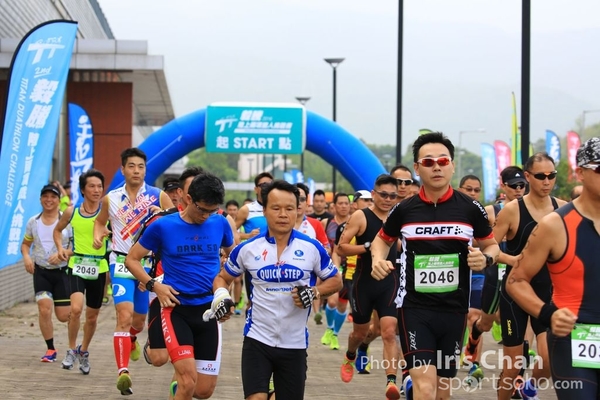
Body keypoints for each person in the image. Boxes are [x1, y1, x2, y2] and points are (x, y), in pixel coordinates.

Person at [370, 132, 500, 400]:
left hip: (454, 310)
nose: (437, 167)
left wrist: (485, 258)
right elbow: (381, 241)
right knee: (425, 387)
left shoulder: (471, 208)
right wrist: (377, 260)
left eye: (443, 161)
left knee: (442, 391)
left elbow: (492, 246)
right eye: (428, 162)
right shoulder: (405, 209)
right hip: (414, 308)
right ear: (417, 168)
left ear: (452, 165)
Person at [212, 180, 342, 400]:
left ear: (297, 210)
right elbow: (222, 278)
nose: (283, 214)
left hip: (294, 344)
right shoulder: (247, 249)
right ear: (264, 210)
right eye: (276, 208)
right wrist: (222, 296)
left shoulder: (311, 247)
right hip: (257, 340)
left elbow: (336, 281)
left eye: (289, 208)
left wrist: (314, 292)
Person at [127, 172, 235, 400]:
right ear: (188, 198)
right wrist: (153, 285)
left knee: (203, 391)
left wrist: (224, 294)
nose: (205, 216)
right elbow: (132, 259)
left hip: (208, 310)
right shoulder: (163, 226)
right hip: (176, 308)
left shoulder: (220, 223)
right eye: (202, 209)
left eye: (211, 211)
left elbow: (234, 260)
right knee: (187, 380)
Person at [507, 137, 600, 400]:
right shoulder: (555, 225)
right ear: (580, 173)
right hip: (573, 338)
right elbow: (515, 281)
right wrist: (548, 314)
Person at [93, 147, 174, 395]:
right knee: (124, 316)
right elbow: (99, 222)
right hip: (120, 262)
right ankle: (123, 372)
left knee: (138, 320)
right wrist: (98, 235)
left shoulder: (158, 196)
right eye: (131, 166)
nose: (136, 171)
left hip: (146, 266)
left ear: (145, 170)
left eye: (140, 166)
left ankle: (132, 338)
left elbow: (174, 223)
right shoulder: (110, 198)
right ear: (123, 169)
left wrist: (162, 215)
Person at [493, 152, 567, 400]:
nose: (547, 181)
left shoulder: (563, 209)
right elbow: (489, 248)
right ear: (527, 176)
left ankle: (529, 389)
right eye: (540, 176)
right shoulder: (512, 211)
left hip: (548, 294)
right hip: (515, 293)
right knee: (513, 366)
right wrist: (513, 260)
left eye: (551, 176)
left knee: (548, 358)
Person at [337, 174, 402, 399]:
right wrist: (368, 246)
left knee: (389, 331)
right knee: (360, 333)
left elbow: (401, 246)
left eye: (392, 196)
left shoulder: (398, 217)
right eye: (383, 195)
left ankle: (391, 382)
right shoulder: (361, 216)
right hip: (363, 284)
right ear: (374, 194)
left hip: (390, 282)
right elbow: (341, 248)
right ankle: (350, 354)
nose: (388, 199)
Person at [53, 169, 108, 375]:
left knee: (92, 317)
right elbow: (57, 230)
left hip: (99, 268)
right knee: (75, 310)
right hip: (76, 266)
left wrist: (108, 234)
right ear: (83, 190)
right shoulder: (72, 212)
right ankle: (70, 349)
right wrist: (60, 248)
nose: (96, 190)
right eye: (92, 186)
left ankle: (83, 351)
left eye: (99, 186)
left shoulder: (107, 213)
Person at [21, 184, 72, 362]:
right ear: (41, 199)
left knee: (64, 316)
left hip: (62, 273)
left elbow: (77, 247)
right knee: (44, 309)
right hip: (41, 272)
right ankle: (50, 349)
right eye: (45, 196)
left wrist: (63, 254)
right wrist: (27, 257)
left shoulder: (67, 221)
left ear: (59, 200)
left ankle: (73, 346)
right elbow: (25, 244)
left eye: (53, 197)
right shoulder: (33, 222)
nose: (49, 200)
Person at [235, 172, 273, 240]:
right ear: (256, 189)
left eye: (269, 185)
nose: (266, 188)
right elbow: (230, 233)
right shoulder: (246, 209)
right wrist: (248, 235)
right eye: (263, 185)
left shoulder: (279, 208)